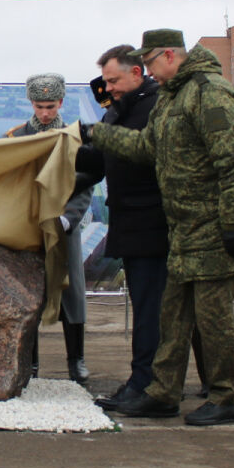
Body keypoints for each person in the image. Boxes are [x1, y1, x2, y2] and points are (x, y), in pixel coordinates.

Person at [84, 29, 234, 426]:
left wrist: (233, 224)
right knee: (173, 317)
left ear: (169, 55)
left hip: (215, 228)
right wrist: (97, 133)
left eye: (148, 64)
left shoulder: (210, 92)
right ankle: (162, 393)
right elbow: (146, 147)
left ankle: (225, 396)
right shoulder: (172, 98)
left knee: (213, 321)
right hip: (182, 228)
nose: (147, 72)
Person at [80, 45, 178, 408]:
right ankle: (142, 383)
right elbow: (99, 163)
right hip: (131, 227)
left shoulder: (155, 108)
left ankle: (148, 386)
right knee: (146, 310)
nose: (109, 88)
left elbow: (146, 155)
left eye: (114, 80)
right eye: (105, 82)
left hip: (153, 226)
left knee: (152, 313)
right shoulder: (120, 110)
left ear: (137, 73)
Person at [6, 73, 92, 383]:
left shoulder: (75, 137)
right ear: (31, 103)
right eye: (40, 106)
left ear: (61, 103)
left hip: (64, 225)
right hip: (29, 228)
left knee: (72, 293)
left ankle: (76, 360)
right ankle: (30, 363)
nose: (45, 113)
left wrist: (69, 217)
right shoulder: (16, 138)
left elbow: (86, 184)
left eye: (51, 106)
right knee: (28, 294)